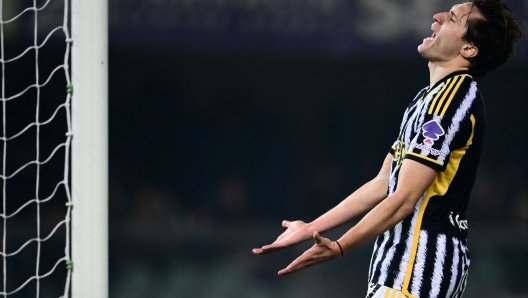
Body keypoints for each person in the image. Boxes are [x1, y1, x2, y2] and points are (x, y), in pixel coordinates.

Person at [252, 1, 523, 297]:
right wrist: (312, 228)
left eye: (453, 18)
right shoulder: (429, 97)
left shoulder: (451, 101)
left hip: (419, 268)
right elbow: (385, 181)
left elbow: (405, 197)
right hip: (405, 268)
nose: (438, 16)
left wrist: (341, 246)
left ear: (469, 49)